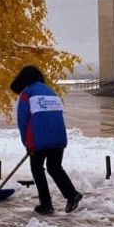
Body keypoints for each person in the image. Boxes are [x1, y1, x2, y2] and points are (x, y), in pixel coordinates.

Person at [10, 65, 83, 216]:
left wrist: (27, 144)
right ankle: (71, 194)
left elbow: (23, 122)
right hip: (58, 138)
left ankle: (46, 204)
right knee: (54, 167)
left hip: (39, 139)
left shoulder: (27, 94)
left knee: (37, 169)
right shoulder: (51, 92)